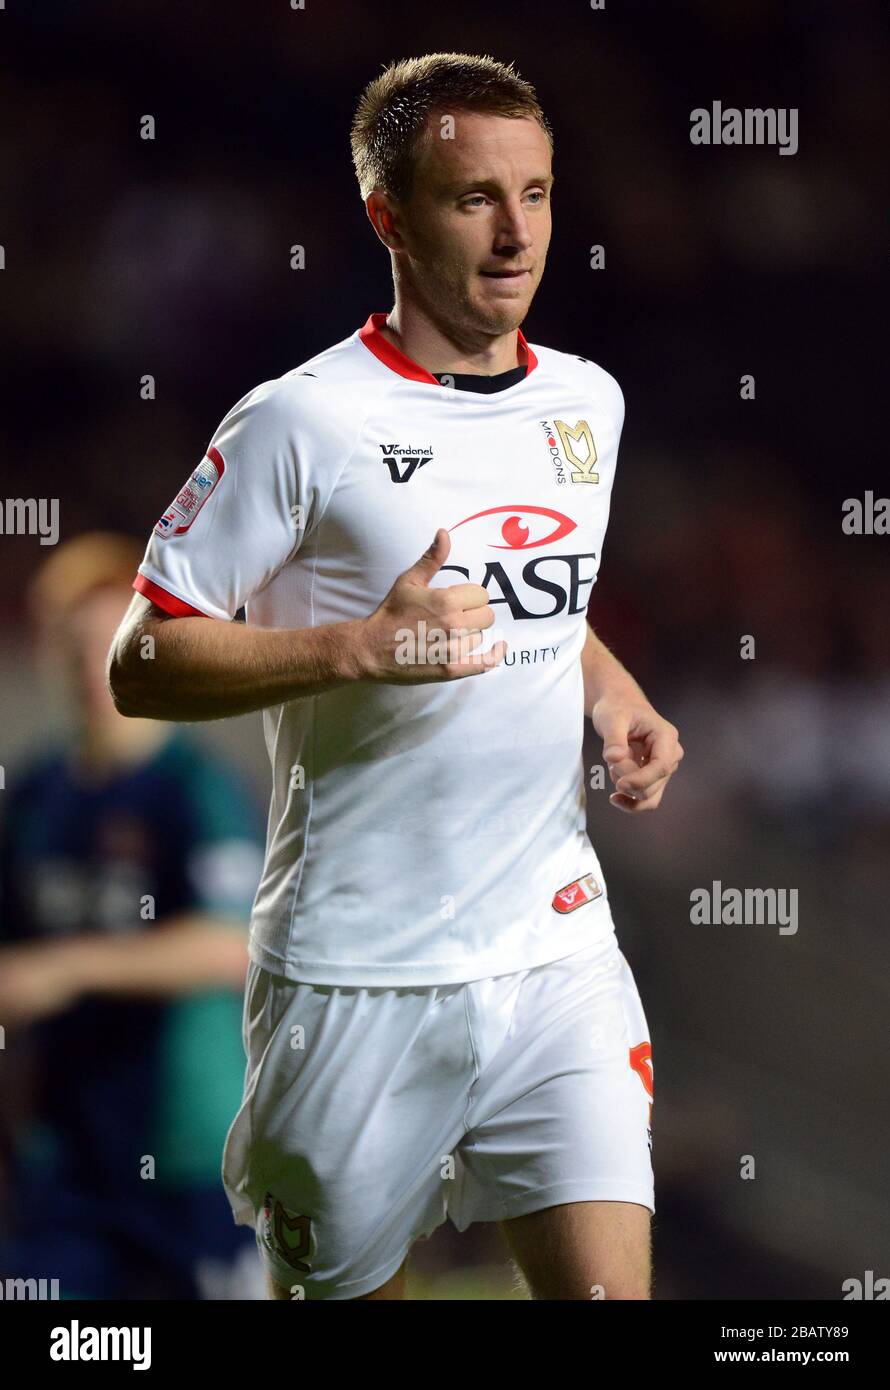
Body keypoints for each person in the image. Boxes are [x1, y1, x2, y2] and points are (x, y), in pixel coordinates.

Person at [107, 53, 683, 1301]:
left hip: (551, 950)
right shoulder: (299, 423)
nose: (515, 232)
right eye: (474, 197)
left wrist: (609, 690)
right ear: (388, 215)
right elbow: (140, 659)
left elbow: (543, 599)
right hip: (354, 972)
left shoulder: (588, 403)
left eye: (534, 193)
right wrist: (353, 647)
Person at [0, 533, 267, 1298]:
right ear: (46, 650)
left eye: (111, 644)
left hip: (189, 1155)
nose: (93, 666)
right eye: (74, 644)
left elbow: (231, 945)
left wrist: (69, 969)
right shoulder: (33, 801)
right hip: (66, 1159)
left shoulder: (195, 788)